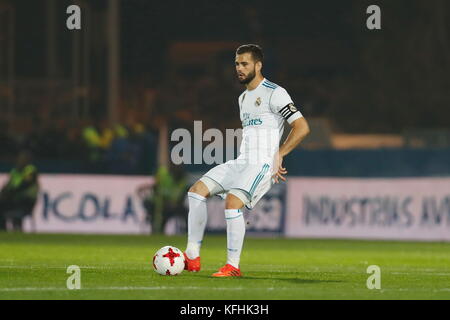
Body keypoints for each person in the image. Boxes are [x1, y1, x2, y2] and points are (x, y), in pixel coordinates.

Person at [184, 44, 310, 277]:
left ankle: (232, 266)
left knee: (232, 202)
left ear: (258, 65)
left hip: (262, 164)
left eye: (244, 64)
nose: (239, 69)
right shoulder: (243, 98)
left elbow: (302, 127)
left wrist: (279, 153)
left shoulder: (275, 92)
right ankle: (192, 256)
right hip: (243, 161)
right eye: (237, 64)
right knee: (196, 191)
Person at [0, 151, 39, 231]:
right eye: (20, 159)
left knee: (13, 205)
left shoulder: (30, 170)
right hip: (13, 199)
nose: (21, 160)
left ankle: (17, 227)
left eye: (23, 159)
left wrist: (10, 192)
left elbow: (25, 184)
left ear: (28, 160)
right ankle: (3, 230)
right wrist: (4, 192)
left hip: (26, 200)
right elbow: (8, 185)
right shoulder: (15, 171)